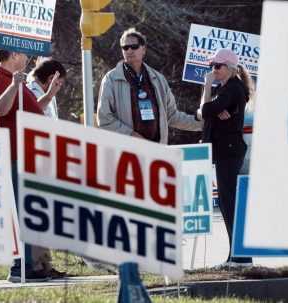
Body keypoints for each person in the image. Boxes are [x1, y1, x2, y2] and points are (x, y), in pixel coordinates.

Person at [0, 49, 64, 282]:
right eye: (23, 53)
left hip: (27, 152)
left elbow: (32, 109)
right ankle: (21, 267)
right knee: (21, 211)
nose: (27, 58)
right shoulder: (2, 79)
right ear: (12, 56)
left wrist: (48, 95)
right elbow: (0, 109)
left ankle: (32, 265)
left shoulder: (14, 79)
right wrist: (13, 86)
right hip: (16, 153)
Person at [97, 27, 202, 142]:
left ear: (144, 49)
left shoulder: (158, 79)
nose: (129, 50)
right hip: (127, 151)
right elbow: (104, 119)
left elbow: (172, 116)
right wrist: (131, 135)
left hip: (156, 151)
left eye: (134, 46)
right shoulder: (111, 79)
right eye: (125, 47)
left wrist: (202, 124)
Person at [199, 48, 254, 267]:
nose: (214, 71)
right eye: (212, 66)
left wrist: (207, 93)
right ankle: (235, 255)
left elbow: (204, 110)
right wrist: (211, 109)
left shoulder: (233, 88)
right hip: (224, 151)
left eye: (218, 66)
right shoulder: (225, 90)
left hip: (230, 152)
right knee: (225, 202)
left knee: (229, 202)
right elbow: (204, 112)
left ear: (230, 68)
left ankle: (241, 256)